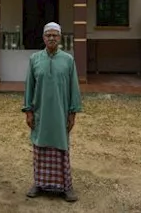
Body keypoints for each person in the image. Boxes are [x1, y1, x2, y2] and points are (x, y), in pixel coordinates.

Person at [22, 21, 82, 202]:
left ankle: (65, 187)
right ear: (43, 38)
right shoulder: (34, 59)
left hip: (60, 112)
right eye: (48, 35)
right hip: (40, 112)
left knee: (61, 146)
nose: (51, 38)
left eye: (55, 35)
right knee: (39, 147)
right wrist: (28, 111)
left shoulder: (68, 60)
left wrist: (73, 113)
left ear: (60, 37)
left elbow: (74, 88)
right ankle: (38, 184)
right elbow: (29, 87)